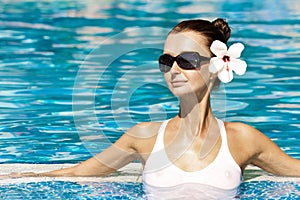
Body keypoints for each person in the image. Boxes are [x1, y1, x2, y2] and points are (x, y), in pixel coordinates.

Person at [9, 18, 300, 199]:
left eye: (186, 60)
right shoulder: (144, 136)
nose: (173, 69)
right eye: (166, 60)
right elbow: (78, 174)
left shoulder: (242, 139)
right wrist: (12, 179)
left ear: (215, 67)